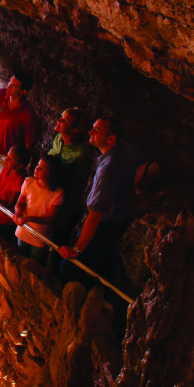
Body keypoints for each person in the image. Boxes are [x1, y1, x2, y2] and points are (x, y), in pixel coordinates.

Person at [59, 117, 146, 285]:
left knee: (69, 269)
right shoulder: (126, 148)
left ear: (111, 139)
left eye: (96, 131)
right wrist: (129, 185)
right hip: (121, 217)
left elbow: (95, 217)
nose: (90, 132)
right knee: (102, 260)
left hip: (104, 225)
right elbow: (143, 162)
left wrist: (76, 250)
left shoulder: (108, 170)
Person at [47, 108, 94, 241]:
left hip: (65, 205)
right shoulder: (58, 139)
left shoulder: (81, 154)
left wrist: (66, 214)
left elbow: (78, 187)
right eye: (61, 117)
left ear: (75, 130)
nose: (59, 121)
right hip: (49, 199)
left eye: (64, 120)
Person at [13, 155, 64, 262]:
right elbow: (20, 203)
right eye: (37, 165)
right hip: (24, 229)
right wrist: (18, 212)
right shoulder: (29, 182)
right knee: (19, 260)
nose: (36, 168)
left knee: (34, 264)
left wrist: (29, 219)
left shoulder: (57, 193)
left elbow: (50, 218)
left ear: (51, 173)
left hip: (40, 236)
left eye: (41, 168)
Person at [0, 145, 30, 232]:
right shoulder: (6, 170)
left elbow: (9, 204)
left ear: (19, 166)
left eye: (10, 159)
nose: (6, 159)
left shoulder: (19, 181)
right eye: (7, 156)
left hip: (6, 220)